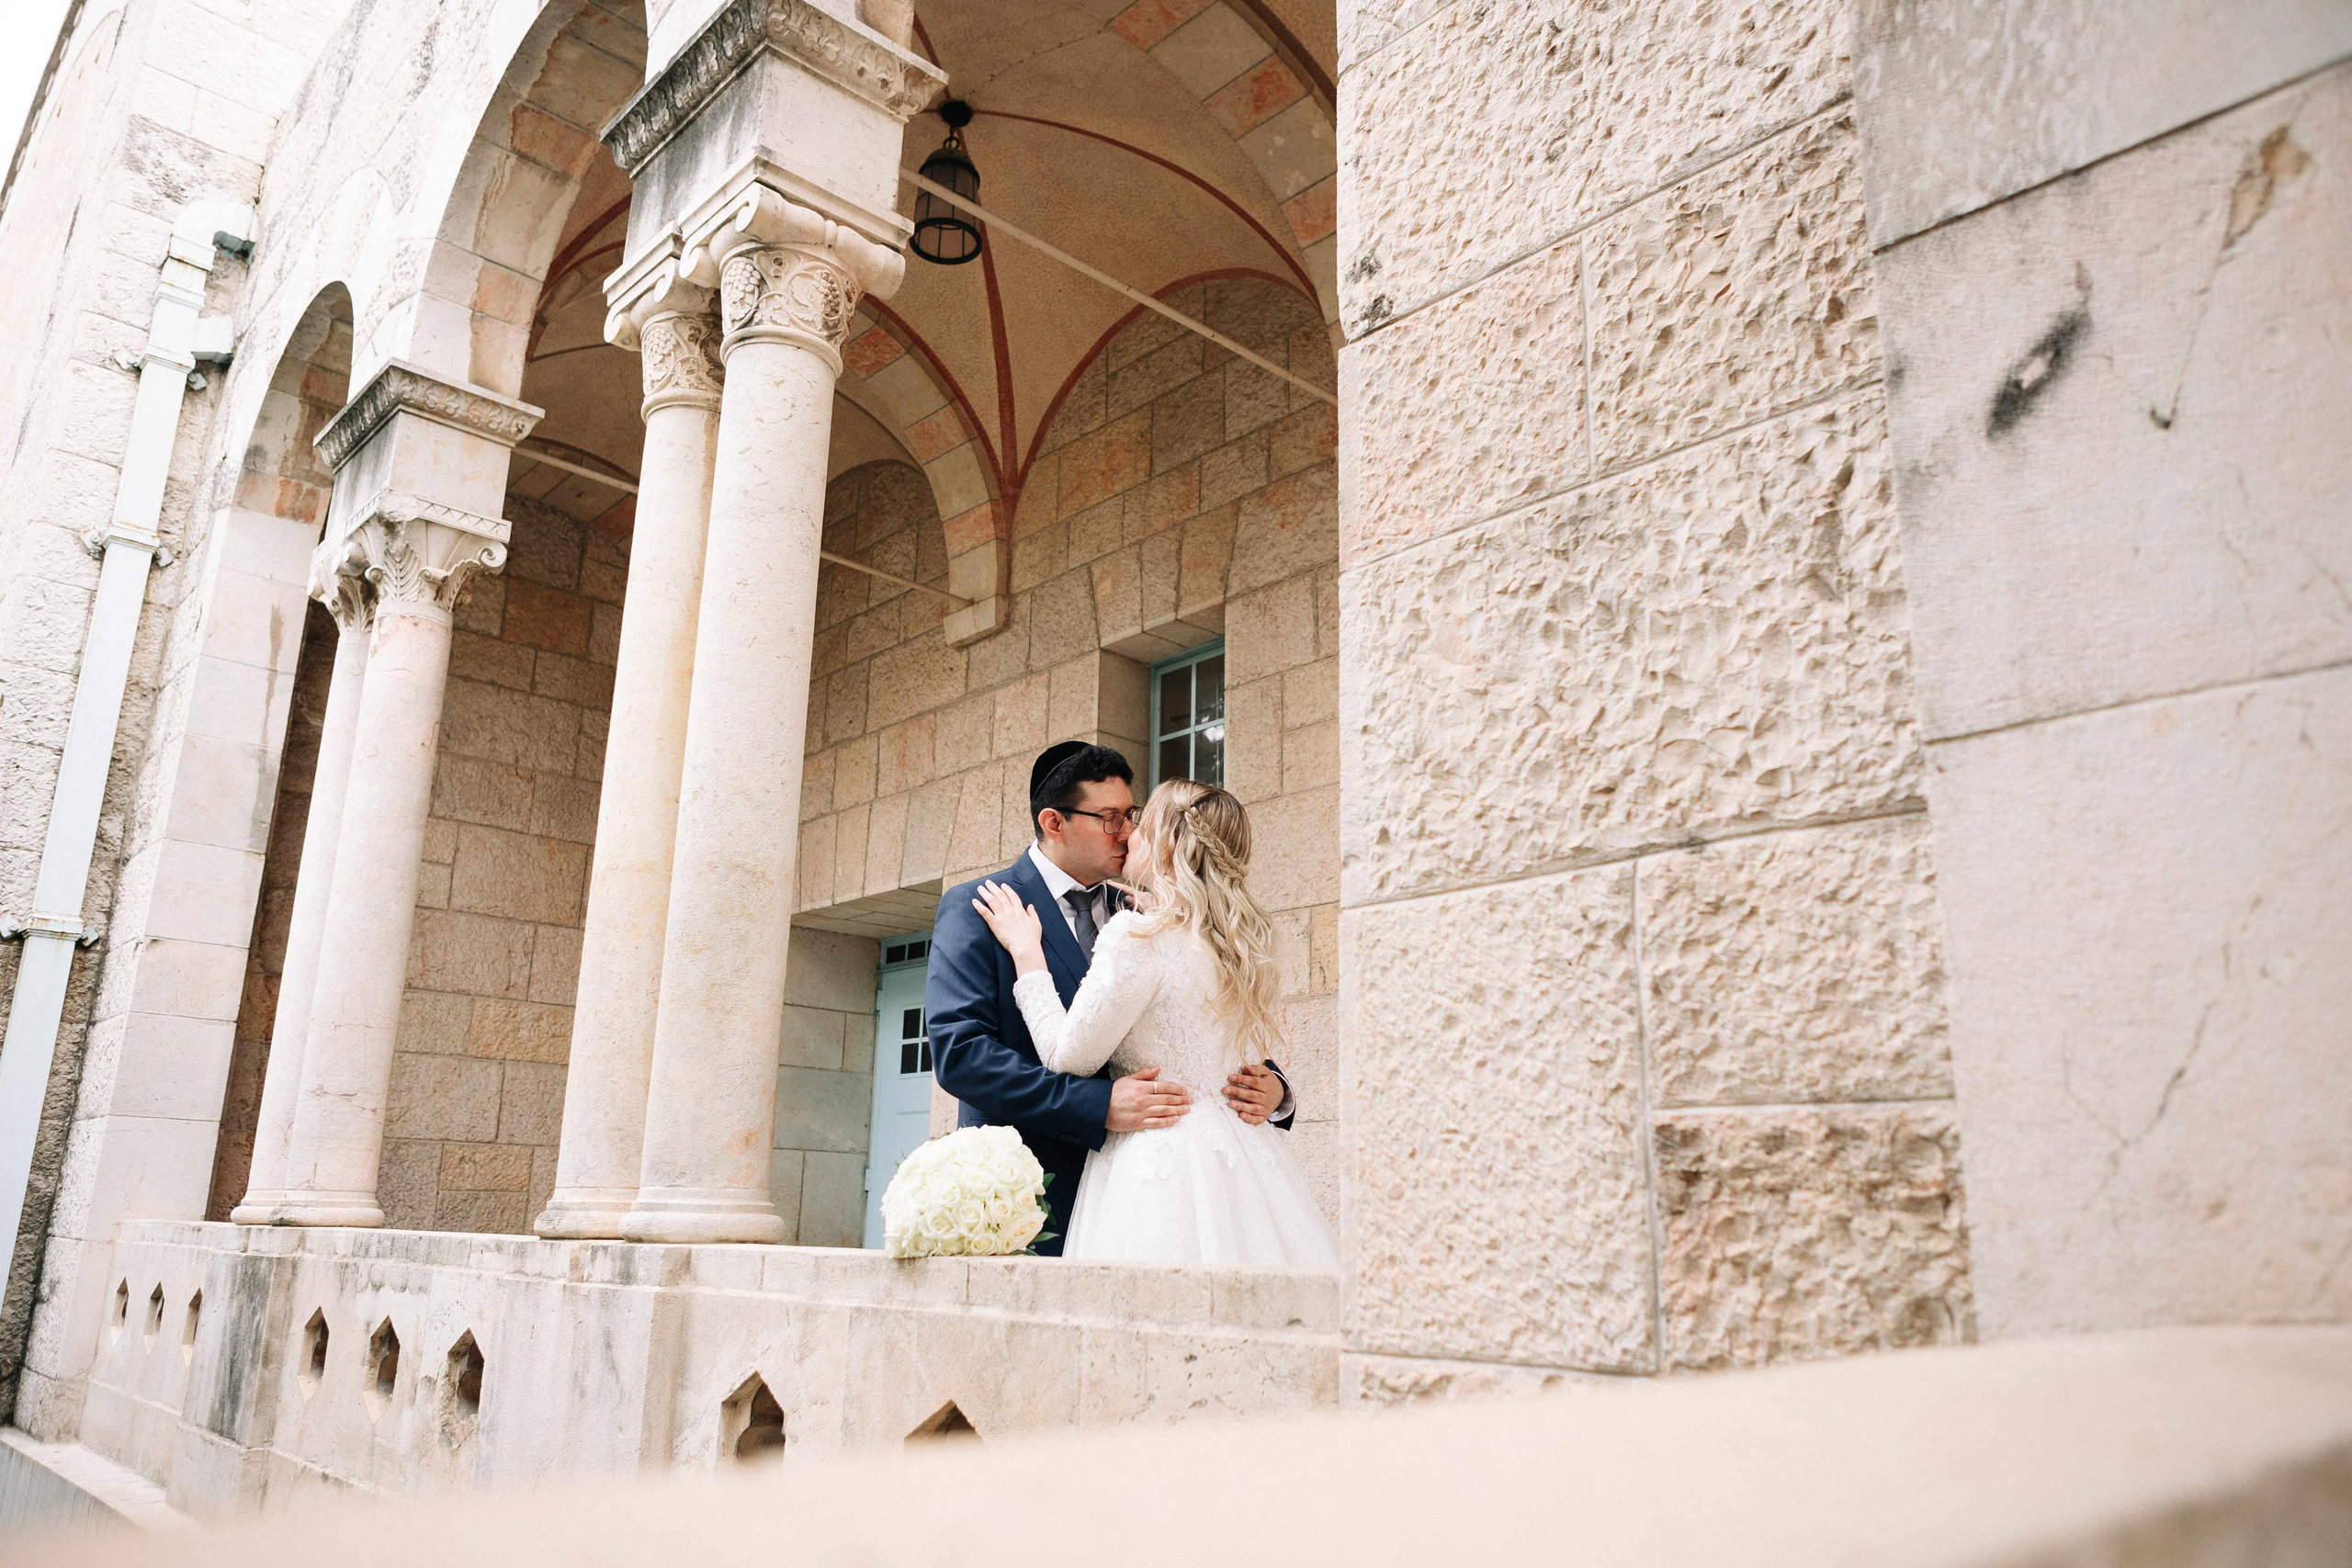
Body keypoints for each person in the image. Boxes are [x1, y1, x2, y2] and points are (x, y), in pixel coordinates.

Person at [929, 742, 1296, 1257]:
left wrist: (1275, 1090)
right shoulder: (982, 907)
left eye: (1132, 816)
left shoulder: (1148, 911)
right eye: (1110, 818)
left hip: (1159, 1193)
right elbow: (962, 1057)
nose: (1127, 832)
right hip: (1034, 1194)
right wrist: (1097, 1107)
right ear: (1054, 822)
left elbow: (1192, 1021)